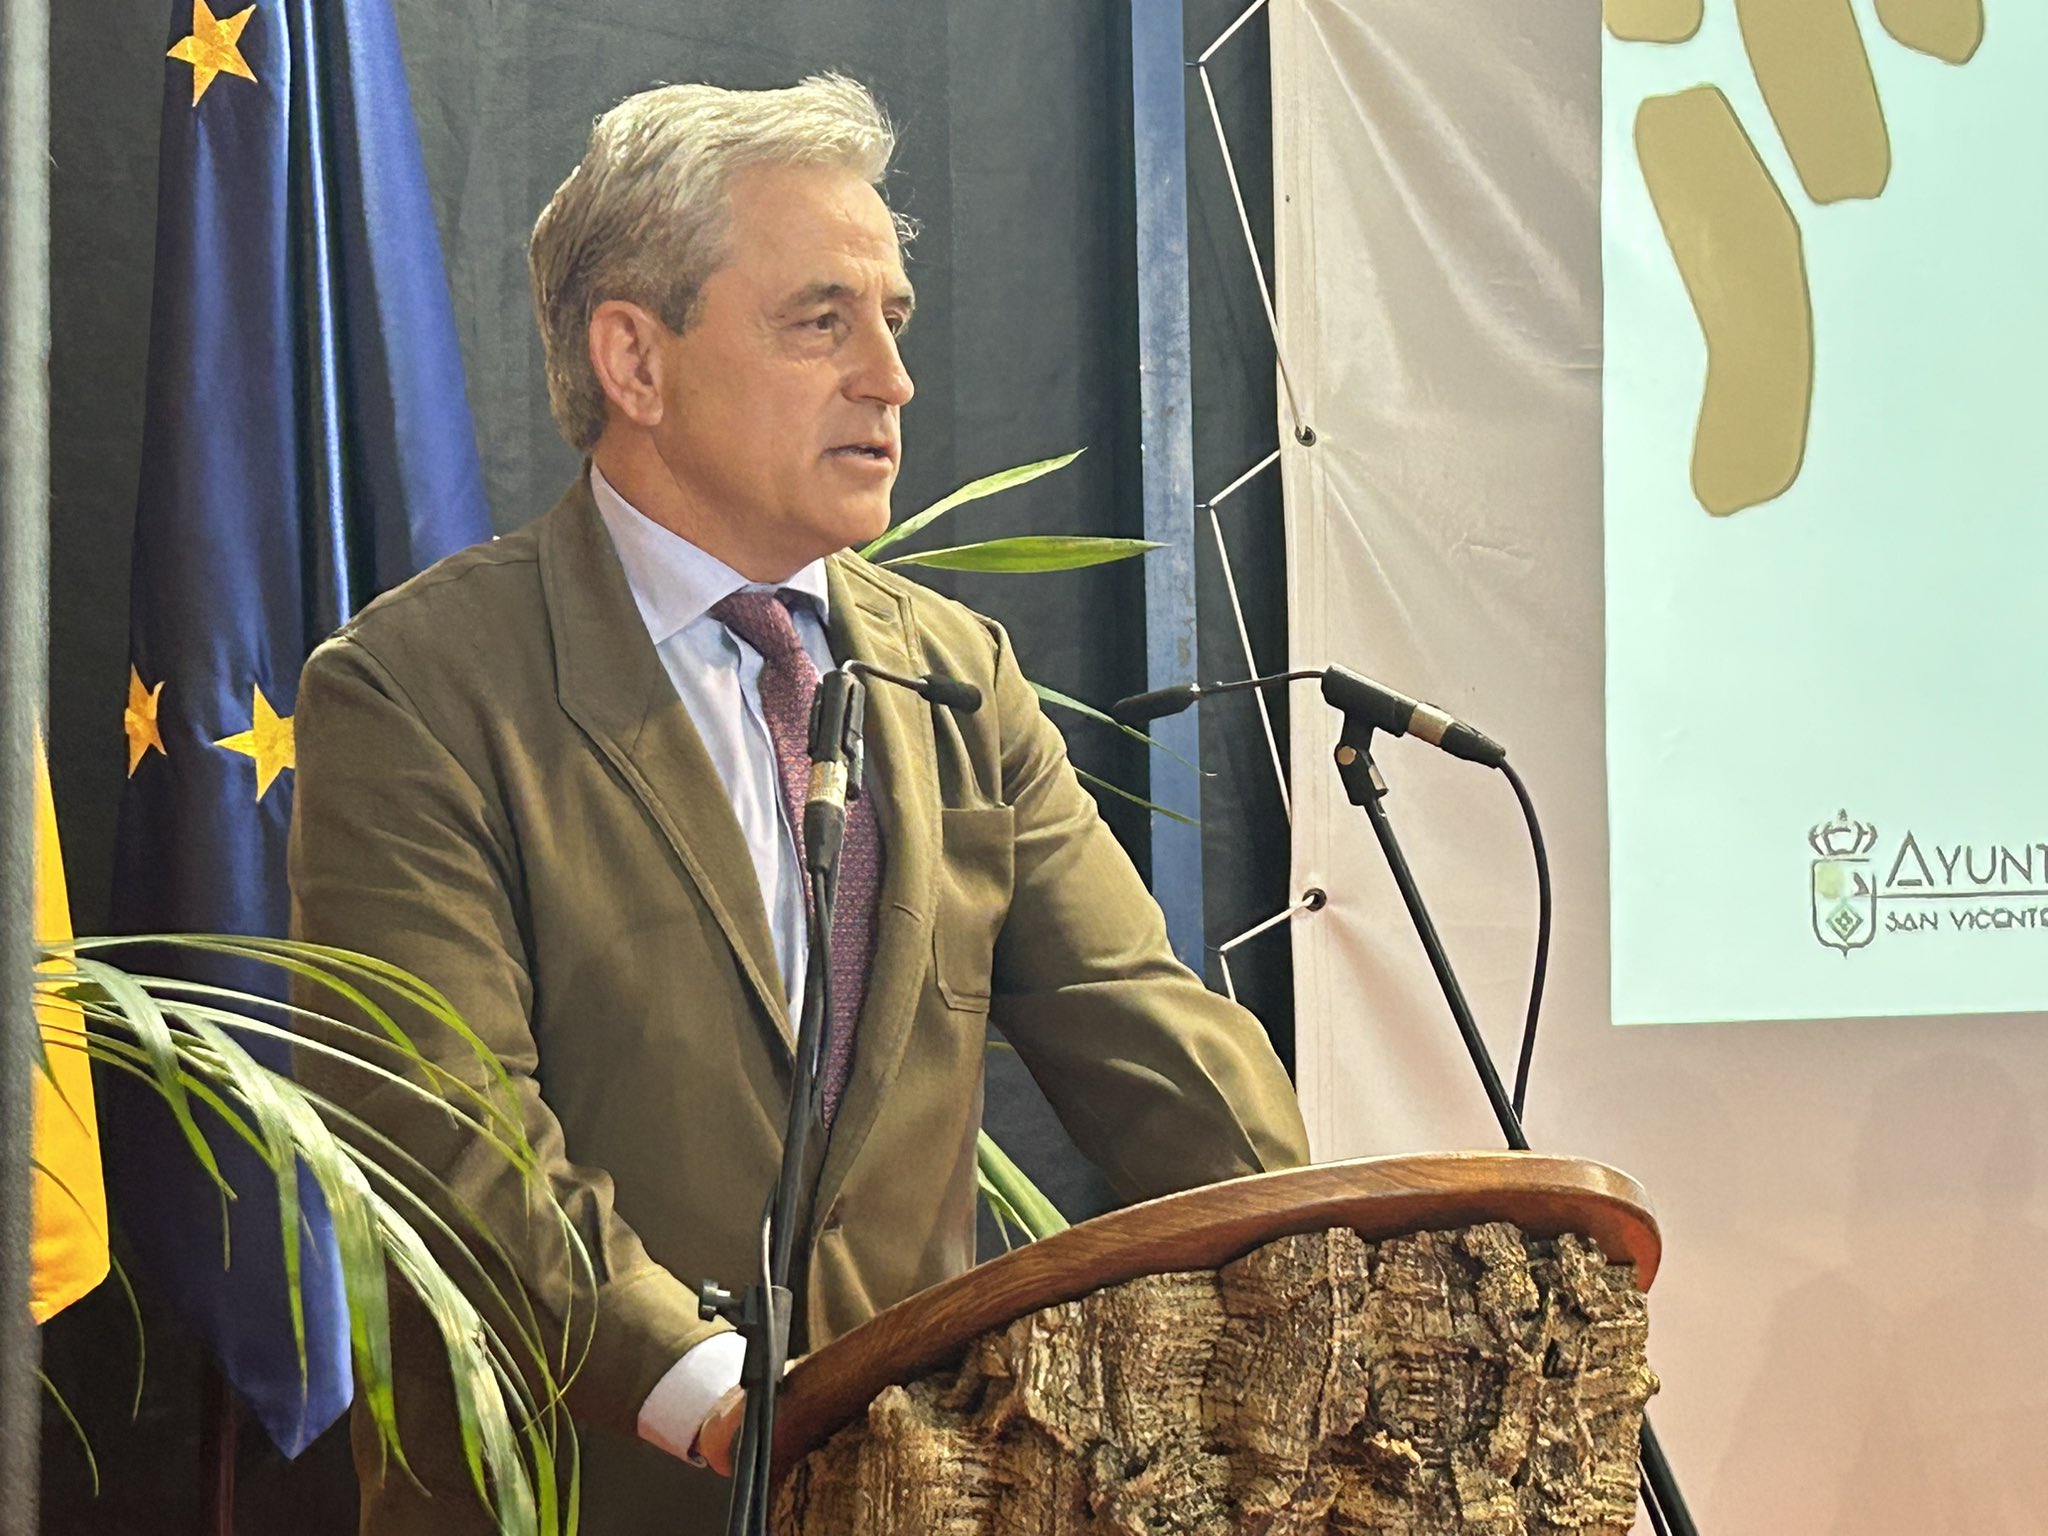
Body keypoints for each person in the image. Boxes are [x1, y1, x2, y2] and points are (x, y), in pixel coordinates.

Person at [289, 73, 1308, 1535]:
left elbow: (1155, 1048)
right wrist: (733, 1402)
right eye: (821, 320)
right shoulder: (419, 690)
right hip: (597, 1497)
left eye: (894, 319)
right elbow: (449, 1137)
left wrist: (1346, 1252)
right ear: (635, 361)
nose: (890, 377)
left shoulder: (957, 678)